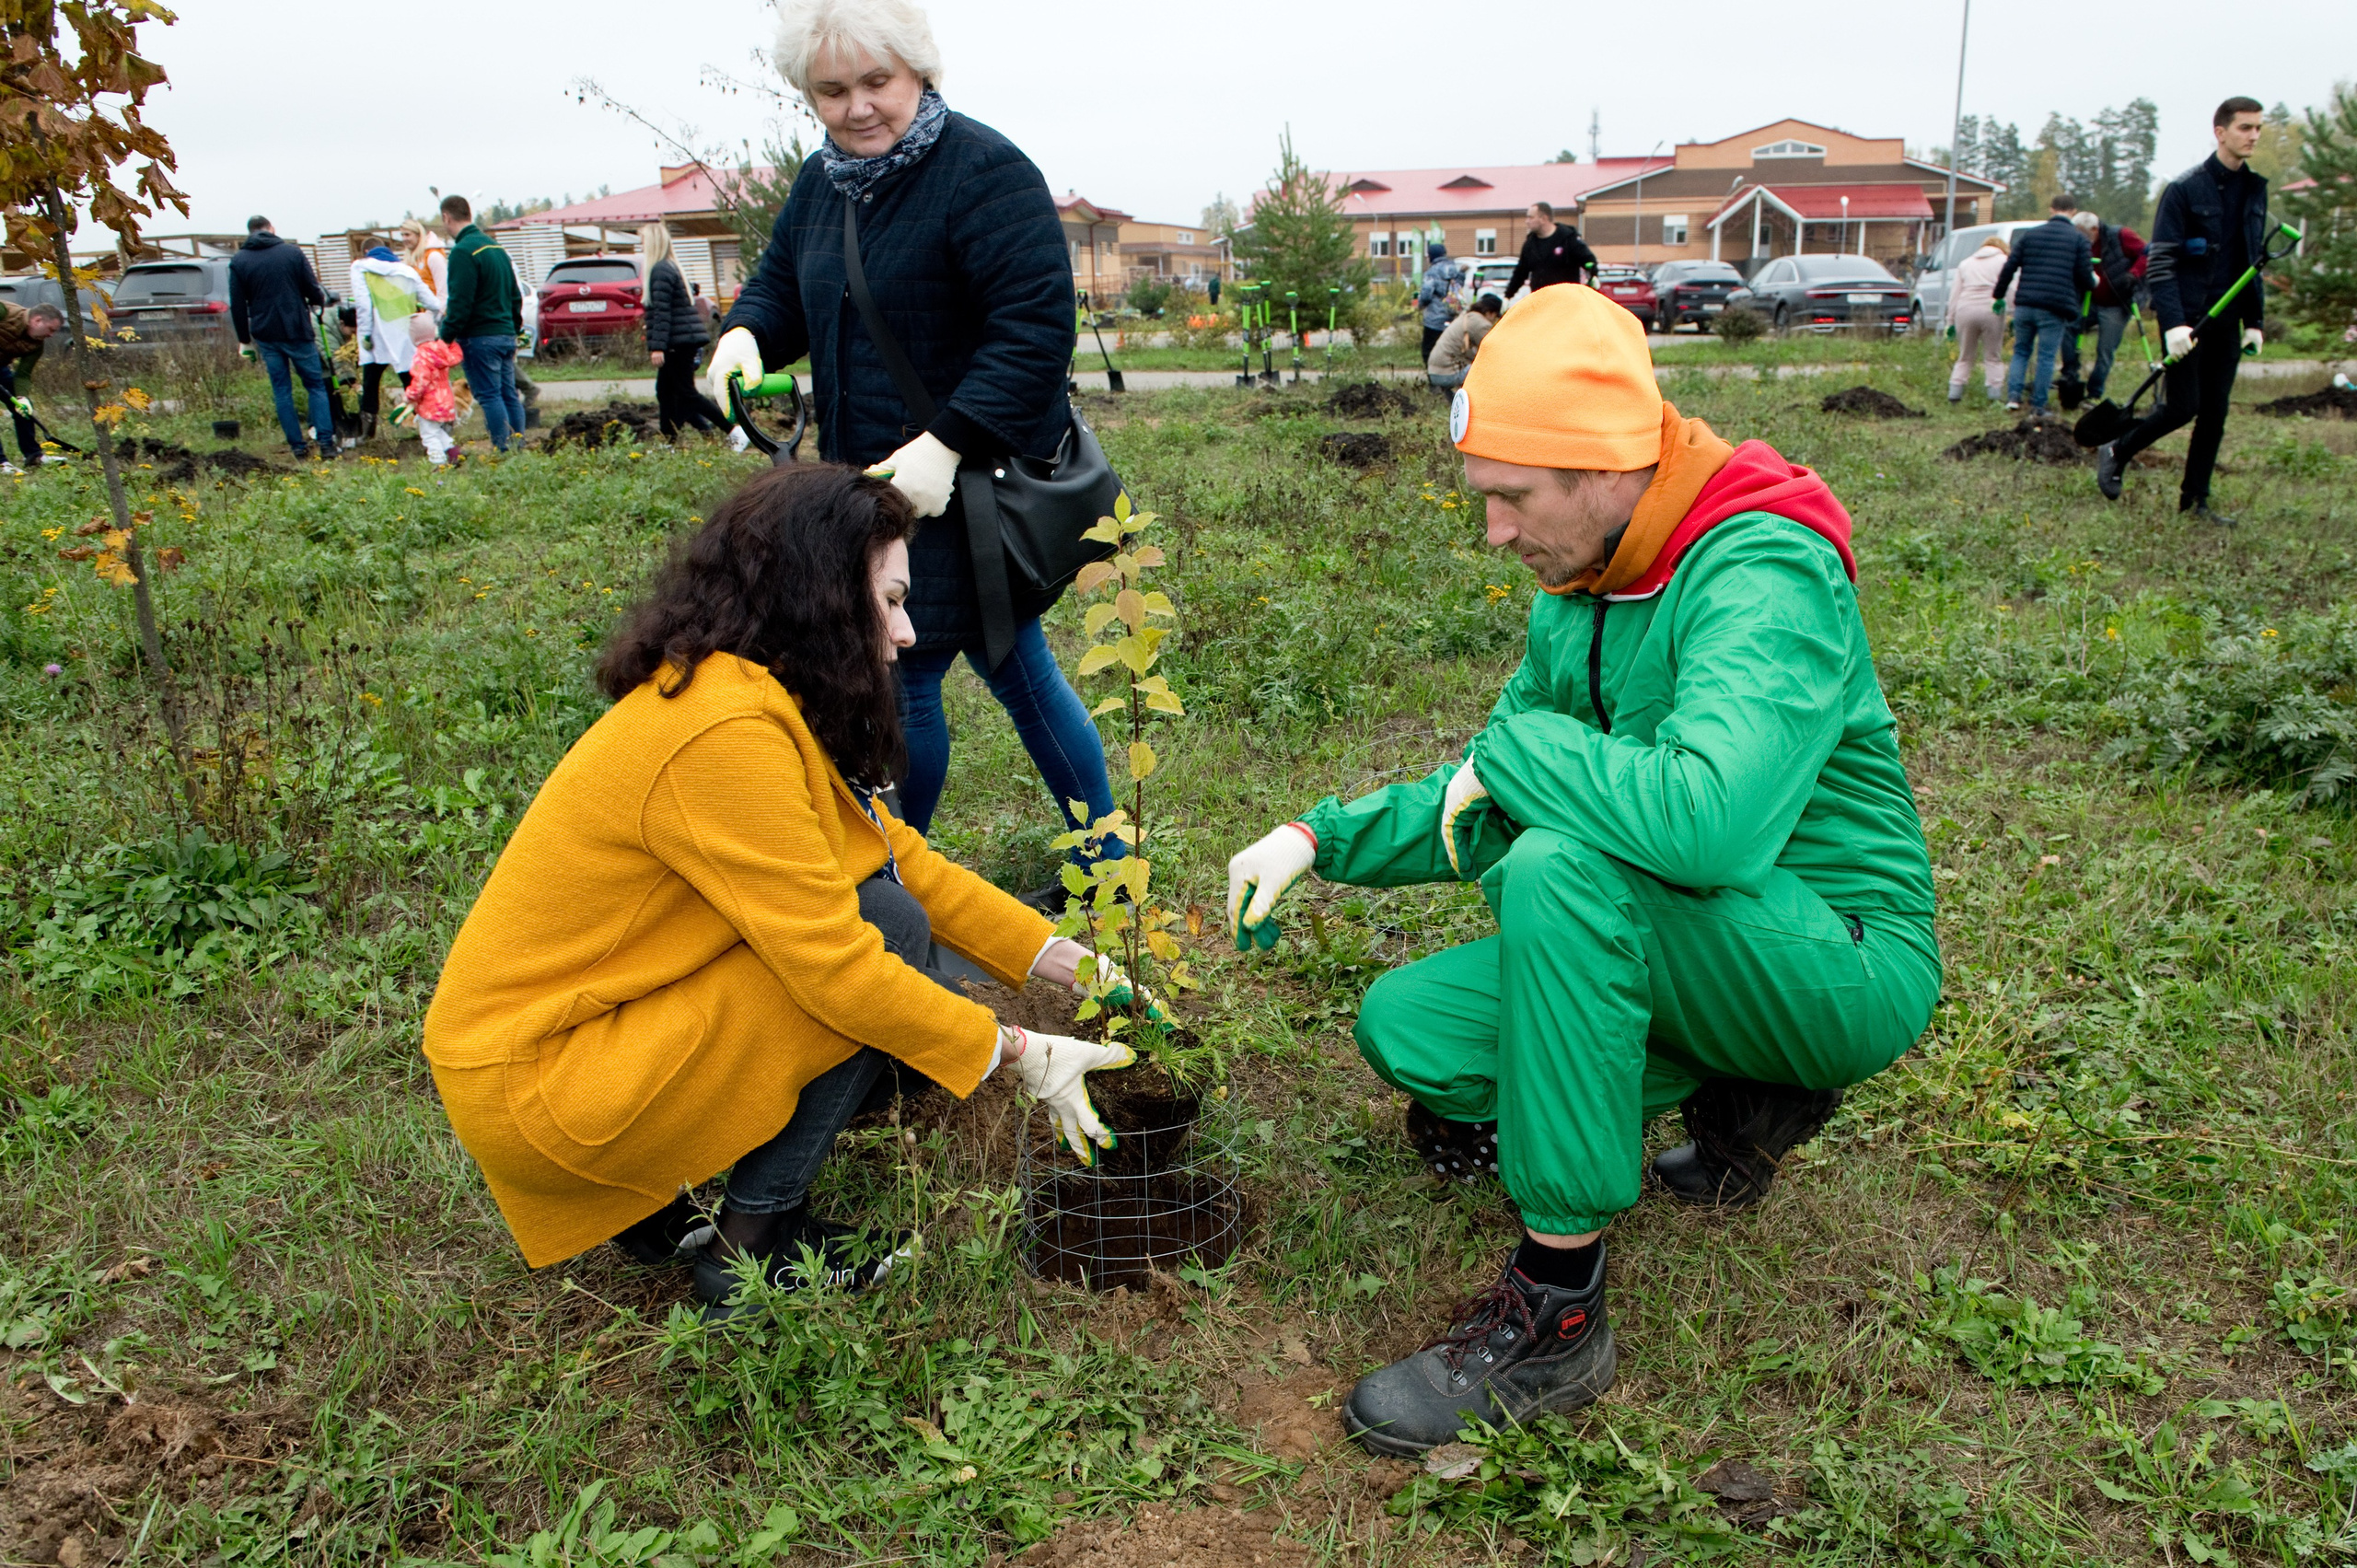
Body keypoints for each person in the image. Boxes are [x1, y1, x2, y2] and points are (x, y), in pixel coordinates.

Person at [1225, 284, 1938, 1457]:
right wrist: (1318, 837)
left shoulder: (1762, 569)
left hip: (1843, 957)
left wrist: (1517, 754)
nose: (1494, 531)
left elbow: (1706, 825)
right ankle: (1743, 1087)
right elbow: (1486, 787)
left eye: (1511, 496)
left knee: (1560, 869)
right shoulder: (1585, 584)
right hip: (1699, 940)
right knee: (1412, 1026)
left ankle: (1557, 1306)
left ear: (1605, 469)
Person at [422, 463, 1140, 1312]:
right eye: (892, 600)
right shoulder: (724, 733)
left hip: (551, 1053)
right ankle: (755, 1241)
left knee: (886, 916)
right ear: (823, 596)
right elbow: (838, 968)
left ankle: (654, 1209)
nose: (907, 632)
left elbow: (895, 853)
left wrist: (1073, 963)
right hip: (545, 1088)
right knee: (883, 940)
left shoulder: (738, 694)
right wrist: (1017, 1050)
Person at [703, 0, 1122, 900]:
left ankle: (896, 883)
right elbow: (784, 288)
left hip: (972, 488)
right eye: (832, 90)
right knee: (1013, 669)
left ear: (919, 72)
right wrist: (745, 333)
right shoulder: (823, 183)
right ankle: (1105, 865)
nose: (857, 106)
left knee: (912, 675)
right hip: (873, 486)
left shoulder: (984, 171)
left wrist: (946, 443)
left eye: (876, 82)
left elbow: (1034, 333)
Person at [2096, 99, 2271, 527]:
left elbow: (2252, 260)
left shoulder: (2255, 189)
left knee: (2215, 412)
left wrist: (2255, 321)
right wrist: (2173, 323)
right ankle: (2117, 448)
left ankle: (2195, 502)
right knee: (2182, 407)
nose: (2253, 136)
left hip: (2228, 317)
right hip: (2188, 318)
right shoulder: (2185, 189)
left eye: (2258, 128)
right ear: (2220, 132)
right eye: (2245, 127)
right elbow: (2161, 261)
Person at [228, 215, 339, 460]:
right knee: (315, 386)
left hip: (266, 333)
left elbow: (237, 305)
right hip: (297, 329)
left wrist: (244, 339)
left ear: (249, 232)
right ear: (272, 229)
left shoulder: (239, 260)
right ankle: (326, 444)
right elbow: (312, 289)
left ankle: (298, 448)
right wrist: (318, 302)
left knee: (282, 391)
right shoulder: (292, 253)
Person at [436, 194, 528, 452]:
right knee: (509, 394)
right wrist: (514, 329)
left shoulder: (463, 251)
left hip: (479, 337)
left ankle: (503, 449)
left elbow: (460, 303)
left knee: (489, 395)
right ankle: (518, 446)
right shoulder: (496, 248)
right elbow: (515, 295)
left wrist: (445, 337)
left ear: (446, 217)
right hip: (504, 334)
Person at [1992, 194, 2094, 415]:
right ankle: (2038, 405)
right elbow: (2085, 276)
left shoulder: (2030, 235)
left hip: (2025, 303)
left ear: (2051, 209)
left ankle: (2013, 398)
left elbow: (2010, 266)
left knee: (2021, 351)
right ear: (2073, 212)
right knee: (2046, 357)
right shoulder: (2079, 239)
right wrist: (2093, 283)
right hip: (2054, 307)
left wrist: (1998, 293)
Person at [641, 223, 727, 440]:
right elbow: (667, 310)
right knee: (665, 392)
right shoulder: (669, 267)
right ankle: (670, 440)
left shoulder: (660, 270)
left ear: (652, 243)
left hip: (676, 344)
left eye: (643, 241)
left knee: (686, 393)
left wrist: (658, 347)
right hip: (680, 340)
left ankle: (734, 431)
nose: (641, 246)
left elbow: (662, 312)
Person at [351, 244, 438, 440]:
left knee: (370, 383)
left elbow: (363, 305)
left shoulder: (361, 268)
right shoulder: (408, 272)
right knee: (411, 382)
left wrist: (365, 335)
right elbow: (432, 303)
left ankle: (367, 433)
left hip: (376, 336)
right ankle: (430, 427)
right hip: (405, 334)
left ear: (367, 254)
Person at [2068, 210, 2146, 402]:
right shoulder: (2082, 243)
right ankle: (2070, 376)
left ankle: (2094, 392)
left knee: (2105, 350)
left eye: (2082, 233)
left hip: (2116, 303)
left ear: (2095, 229)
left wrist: (2134, 274)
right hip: (2090, 301)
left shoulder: (2121, 236)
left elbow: (2147, 253)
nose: (2079, 237)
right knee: (2068, 328)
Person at [1942, 234, 2011, 404]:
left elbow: (1954, 294)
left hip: (1965, 310)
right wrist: (2012, 311)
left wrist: (1950, 322)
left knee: (1965, 356)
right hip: (1991, 310)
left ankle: (1954, 394)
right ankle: (1994, 396)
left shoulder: (1965, 263)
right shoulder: (2004, 261)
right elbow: (2011, 288)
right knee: (1992, 356)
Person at [1, 300, 63, 474]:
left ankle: (33, 456)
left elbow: (23, 375)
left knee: (23, 409)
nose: (51, 335)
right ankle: (1, 463)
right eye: (50, 329)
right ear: (37, 320)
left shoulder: (36, 345)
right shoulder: (6, 313)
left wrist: (22, 397)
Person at [1504, 202, 1598, 300]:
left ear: (1544, 219)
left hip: (1566, 300)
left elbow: (1588, 260)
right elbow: (1520, 273)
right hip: (1541, 301)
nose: (1527, 221)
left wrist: (1593, 275)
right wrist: (1508, 296)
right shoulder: (1530, 244)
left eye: (1531, 217)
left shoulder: (1568, 239)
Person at [403, 315, 464, 465]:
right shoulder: (441, 350)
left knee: (429, 435)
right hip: (446, 399)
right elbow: (456, 355)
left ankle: (438, 463)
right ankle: (453, 452)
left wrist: (410, 396)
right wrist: (453, 343)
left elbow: (420, 380)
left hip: (429, 402)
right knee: (436, 431)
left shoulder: (421, 355)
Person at [1426, 292, 1502, 392]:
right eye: (1495, 317)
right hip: (1447, 374)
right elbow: (1494, 351)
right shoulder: (1480, 323)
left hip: (1435, 372)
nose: (1494, 321)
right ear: (1489, 313)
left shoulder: (1467, 316)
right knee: (1488, 367)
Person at [1416, 240, 1462, 364]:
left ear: (1432, 256)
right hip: (1453, 315)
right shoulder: (1454, 269)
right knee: (1449, 349)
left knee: (1428, 350)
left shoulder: (1432, 272)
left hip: (1434, 317)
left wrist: (1420, 305)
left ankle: (1433, 373)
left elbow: (1426, 295)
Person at [401, 216, 450, 302]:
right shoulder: (408, 259)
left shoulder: (433, 256)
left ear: (418, 235)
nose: (404, 239)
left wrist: (436, 310)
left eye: (407, 235)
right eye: (402, 235)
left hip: (434, 308)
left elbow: (443, 292)